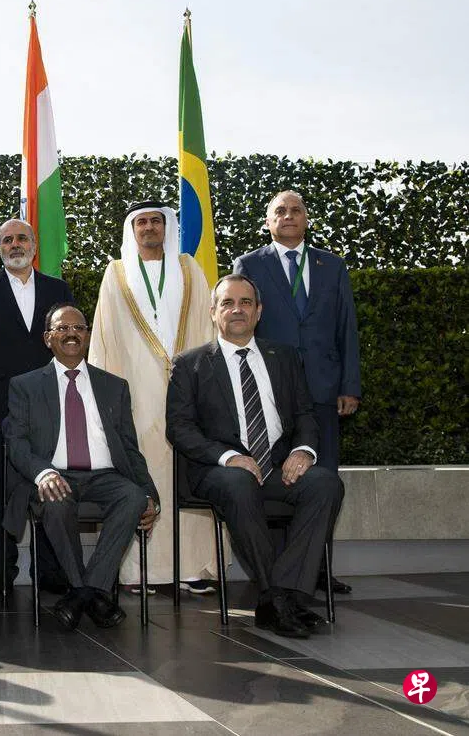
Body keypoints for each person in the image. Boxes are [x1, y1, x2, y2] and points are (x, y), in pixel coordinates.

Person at [166, 274, 343, 638]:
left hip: (277, 467)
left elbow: (305, 415)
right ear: (213, 312)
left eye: (245, 303)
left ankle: (282, 596)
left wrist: (303, 450)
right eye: (228, 303)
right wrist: (228, 456)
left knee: (325, 484)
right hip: (219, 471)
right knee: (240, 482)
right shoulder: (190, 363)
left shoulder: (285, 357)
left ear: (258, 311)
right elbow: (179, 428)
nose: (237, 310)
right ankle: (280, 599)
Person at [88, 200, 220, 596]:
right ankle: (137, 571)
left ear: (167, 227)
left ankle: (192, 566)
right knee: (140, 468)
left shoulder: (189, 269)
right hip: (135, 391)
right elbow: (104, 337)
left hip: (188, 389)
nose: (149, 227)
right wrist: (103, 398)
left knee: (188, 469)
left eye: (156, 221)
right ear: (132, 229)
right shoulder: (116, 273)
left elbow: (207, 328)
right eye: (141, 222)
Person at [233, 189, 360, 595]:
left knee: (323, 481)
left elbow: (346, 327)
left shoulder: (332, 265)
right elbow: (240, 326)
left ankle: (319, 569)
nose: (288, 215)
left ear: (306, 219)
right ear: (268, 222)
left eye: (296, 210)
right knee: (276, 480)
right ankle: (277, 574)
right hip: (271, 392)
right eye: (280, 211)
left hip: (324, 391)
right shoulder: (249, 264)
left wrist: (349, 385)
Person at [3, 303, 160, 630]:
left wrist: (149, 493)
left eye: (79, 328)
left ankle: (82, 593)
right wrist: (44, 473)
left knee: (133, 498)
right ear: (48, 338)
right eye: (62, 328)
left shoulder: (114, 386)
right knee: (55, 501)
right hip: (55, 474)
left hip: (106, 476)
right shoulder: (25, 385)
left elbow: (129, 447)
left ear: (87, 335)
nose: (71, 333)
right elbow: (16, 443)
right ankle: (93, 594)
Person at [0, 218, 72, 597]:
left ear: (34, 246)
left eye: (22, 238)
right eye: (7, 240)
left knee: (51, 486)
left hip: (49, 406)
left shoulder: (58, 289)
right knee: (1, 491)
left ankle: (51, 571)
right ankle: (1, 572)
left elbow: (69, 345)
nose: (15, 244)